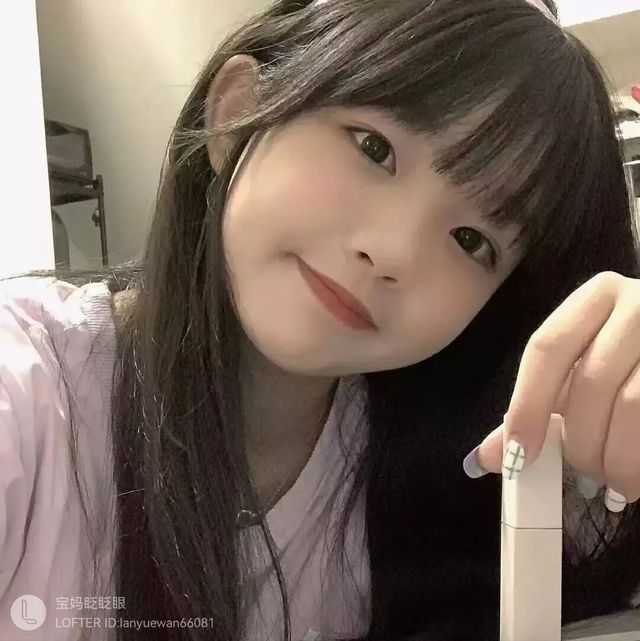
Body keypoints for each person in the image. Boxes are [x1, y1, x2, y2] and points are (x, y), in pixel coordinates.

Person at [1, 0, 639, 639]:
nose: (392, 251)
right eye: (374, 148)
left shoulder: (461, 465)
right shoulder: (29, 400)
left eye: (472, 241)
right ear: (237, 112)